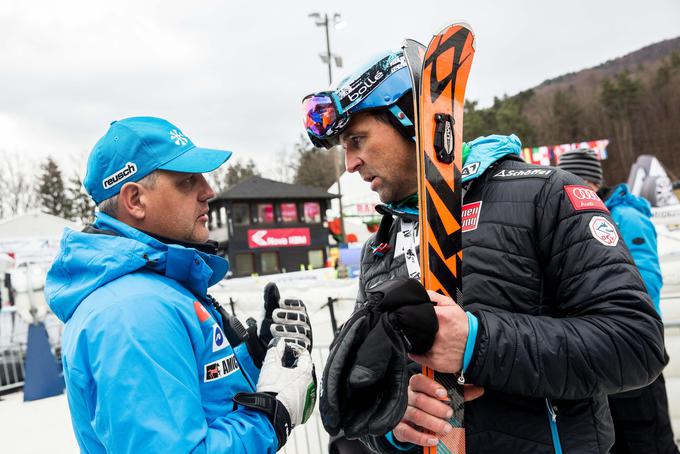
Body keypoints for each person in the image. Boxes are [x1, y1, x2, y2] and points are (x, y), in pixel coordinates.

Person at [302, 50, 668, 453]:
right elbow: (364, 389)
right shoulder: (381, 245)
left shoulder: (543, 195)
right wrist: (393, 421)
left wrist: (477, 344)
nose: (350, 163)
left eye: (357, 139)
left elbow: (637, 344)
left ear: (411, 118)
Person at [45, 117, 316, 453]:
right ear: (135, 201)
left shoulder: (154, 288)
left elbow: (200, 398)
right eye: (187, 181)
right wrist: (273, 414)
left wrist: (255, 359)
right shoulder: (133, 311)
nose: (208, 191)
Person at [558, 148, 678, 454]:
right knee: (611, 439)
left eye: (570, 181)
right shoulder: (573, 216)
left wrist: (617, 325)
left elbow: (646, 280)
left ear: (590, 183)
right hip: (598, 352)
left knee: (649, 438)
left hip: (633, 347)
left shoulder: (626, 216)